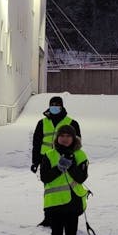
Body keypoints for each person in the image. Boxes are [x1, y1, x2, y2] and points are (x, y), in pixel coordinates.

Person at [39, 124, 89, 235]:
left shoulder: (80, 155)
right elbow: (45, 178)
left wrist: (71, 164)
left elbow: (81, 178)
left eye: (68, 136)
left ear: (73, 138)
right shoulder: (49, 155)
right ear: (57, 138)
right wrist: (60, 167)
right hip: (54, 204)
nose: (65, 139)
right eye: (62, 136)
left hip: (73, 203)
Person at [31, 96, 82, 226]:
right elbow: (36, 144)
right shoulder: (42, 123)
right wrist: (35, 162)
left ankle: (66, 217)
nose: (54, 107)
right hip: (46, 161)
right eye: (52, 105)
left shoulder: (71, 123)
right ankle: (48, 218)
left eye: (57, 105)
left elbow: (77, 143)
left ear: (62, 106)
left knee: (67, 189)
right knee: (50, 191)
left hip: (66, 160)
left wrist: (73, 159)